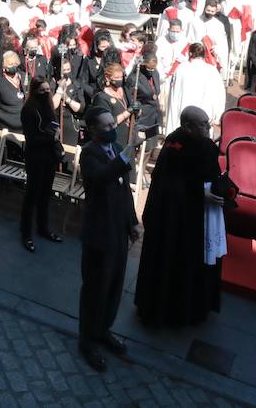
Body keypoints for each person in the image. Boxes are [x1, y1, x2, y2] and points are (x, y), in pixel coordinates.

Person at [134, 105, 224, 328]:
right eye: (203, 125)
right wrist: (201, 193)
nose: (208, 128)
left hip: (197, 215)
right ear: (187, 127)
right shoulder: (174, 145)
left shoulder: (205, 146)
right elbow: (168, 182)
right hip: (176, 218)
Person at [77, 109, 146, 371]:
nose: (110, 127)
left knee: (115, 286)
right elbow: (101, 179)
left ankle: (104, 329)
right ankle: (87, 341)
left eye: (111, 123)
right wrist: (127, 153)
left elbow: (123, 191)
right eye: (105, 125)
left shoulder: (115, 147)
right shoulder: (89, 153)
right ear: (94, 130)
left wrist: (132, 222)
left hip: (118, 231)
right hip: (98, 233)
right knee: (95, 289)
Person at [20, 77, 63, 253]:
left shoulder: (48, 107)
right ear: (35, 90)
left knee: (46, 195)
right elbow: (31, 137)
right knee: (31, 196)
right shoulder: (28, 109)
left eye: (48, 90)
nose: (46, 93)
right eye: (42, 90)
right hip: (36, 157)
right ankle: (26, 233)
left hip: (49, 157)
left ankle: (42, 227)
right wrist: (49, 136)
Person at [163, 42, 225, 134]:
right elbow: (219, 94)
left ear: (190, 53)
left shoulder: (181, 68)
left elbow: (173, 94)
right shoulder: (211, 70)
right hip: (204, 114)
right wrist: (217, 115)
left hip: (183, 115)